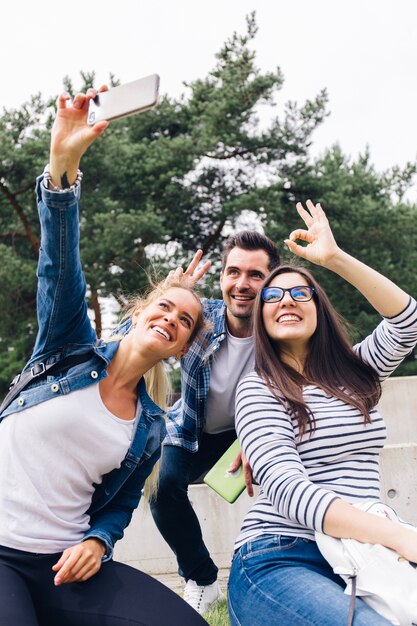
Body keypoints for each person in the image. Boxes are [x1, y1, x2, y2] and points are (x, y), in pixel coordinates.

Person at [0, 88, 210, 626]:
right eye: (165, 307)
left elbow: (118, 505)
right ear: (138, 314)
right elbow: (60, 268)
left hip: (64, 564)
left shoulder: (151, 426)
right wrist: (62, 169)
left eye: (185, 322)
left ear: (182, 348)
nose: (172, 320)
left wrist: (99, 540)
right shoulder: (66, 349)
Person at [228, 199, 417, 626]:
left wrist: (334, 259)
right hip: (282, 554)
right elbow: (289, 490)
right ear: (262, 317)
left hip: (364, 551)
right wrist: (402, 536)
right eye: (272, 296)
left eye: (301, 292)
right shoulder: (259, 388)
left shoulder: (355, 372)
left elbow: (408, 322)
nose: (286, 300)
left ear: (319, 308)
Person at [149, 229, 280, 613]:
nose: (242, 284)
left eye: (255, 275)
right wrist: (163, 300)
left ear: (270, 281)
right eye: (233, 272)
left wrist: (259, 443)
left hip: (246, 435)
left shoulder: (283, 331)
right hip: (189, 429)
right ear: (221, 277)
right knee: (163, 487)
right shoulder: (198, 317)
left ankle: (284, 573)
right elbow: (133, 337)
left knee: (287, 482)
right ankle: (203, 580)